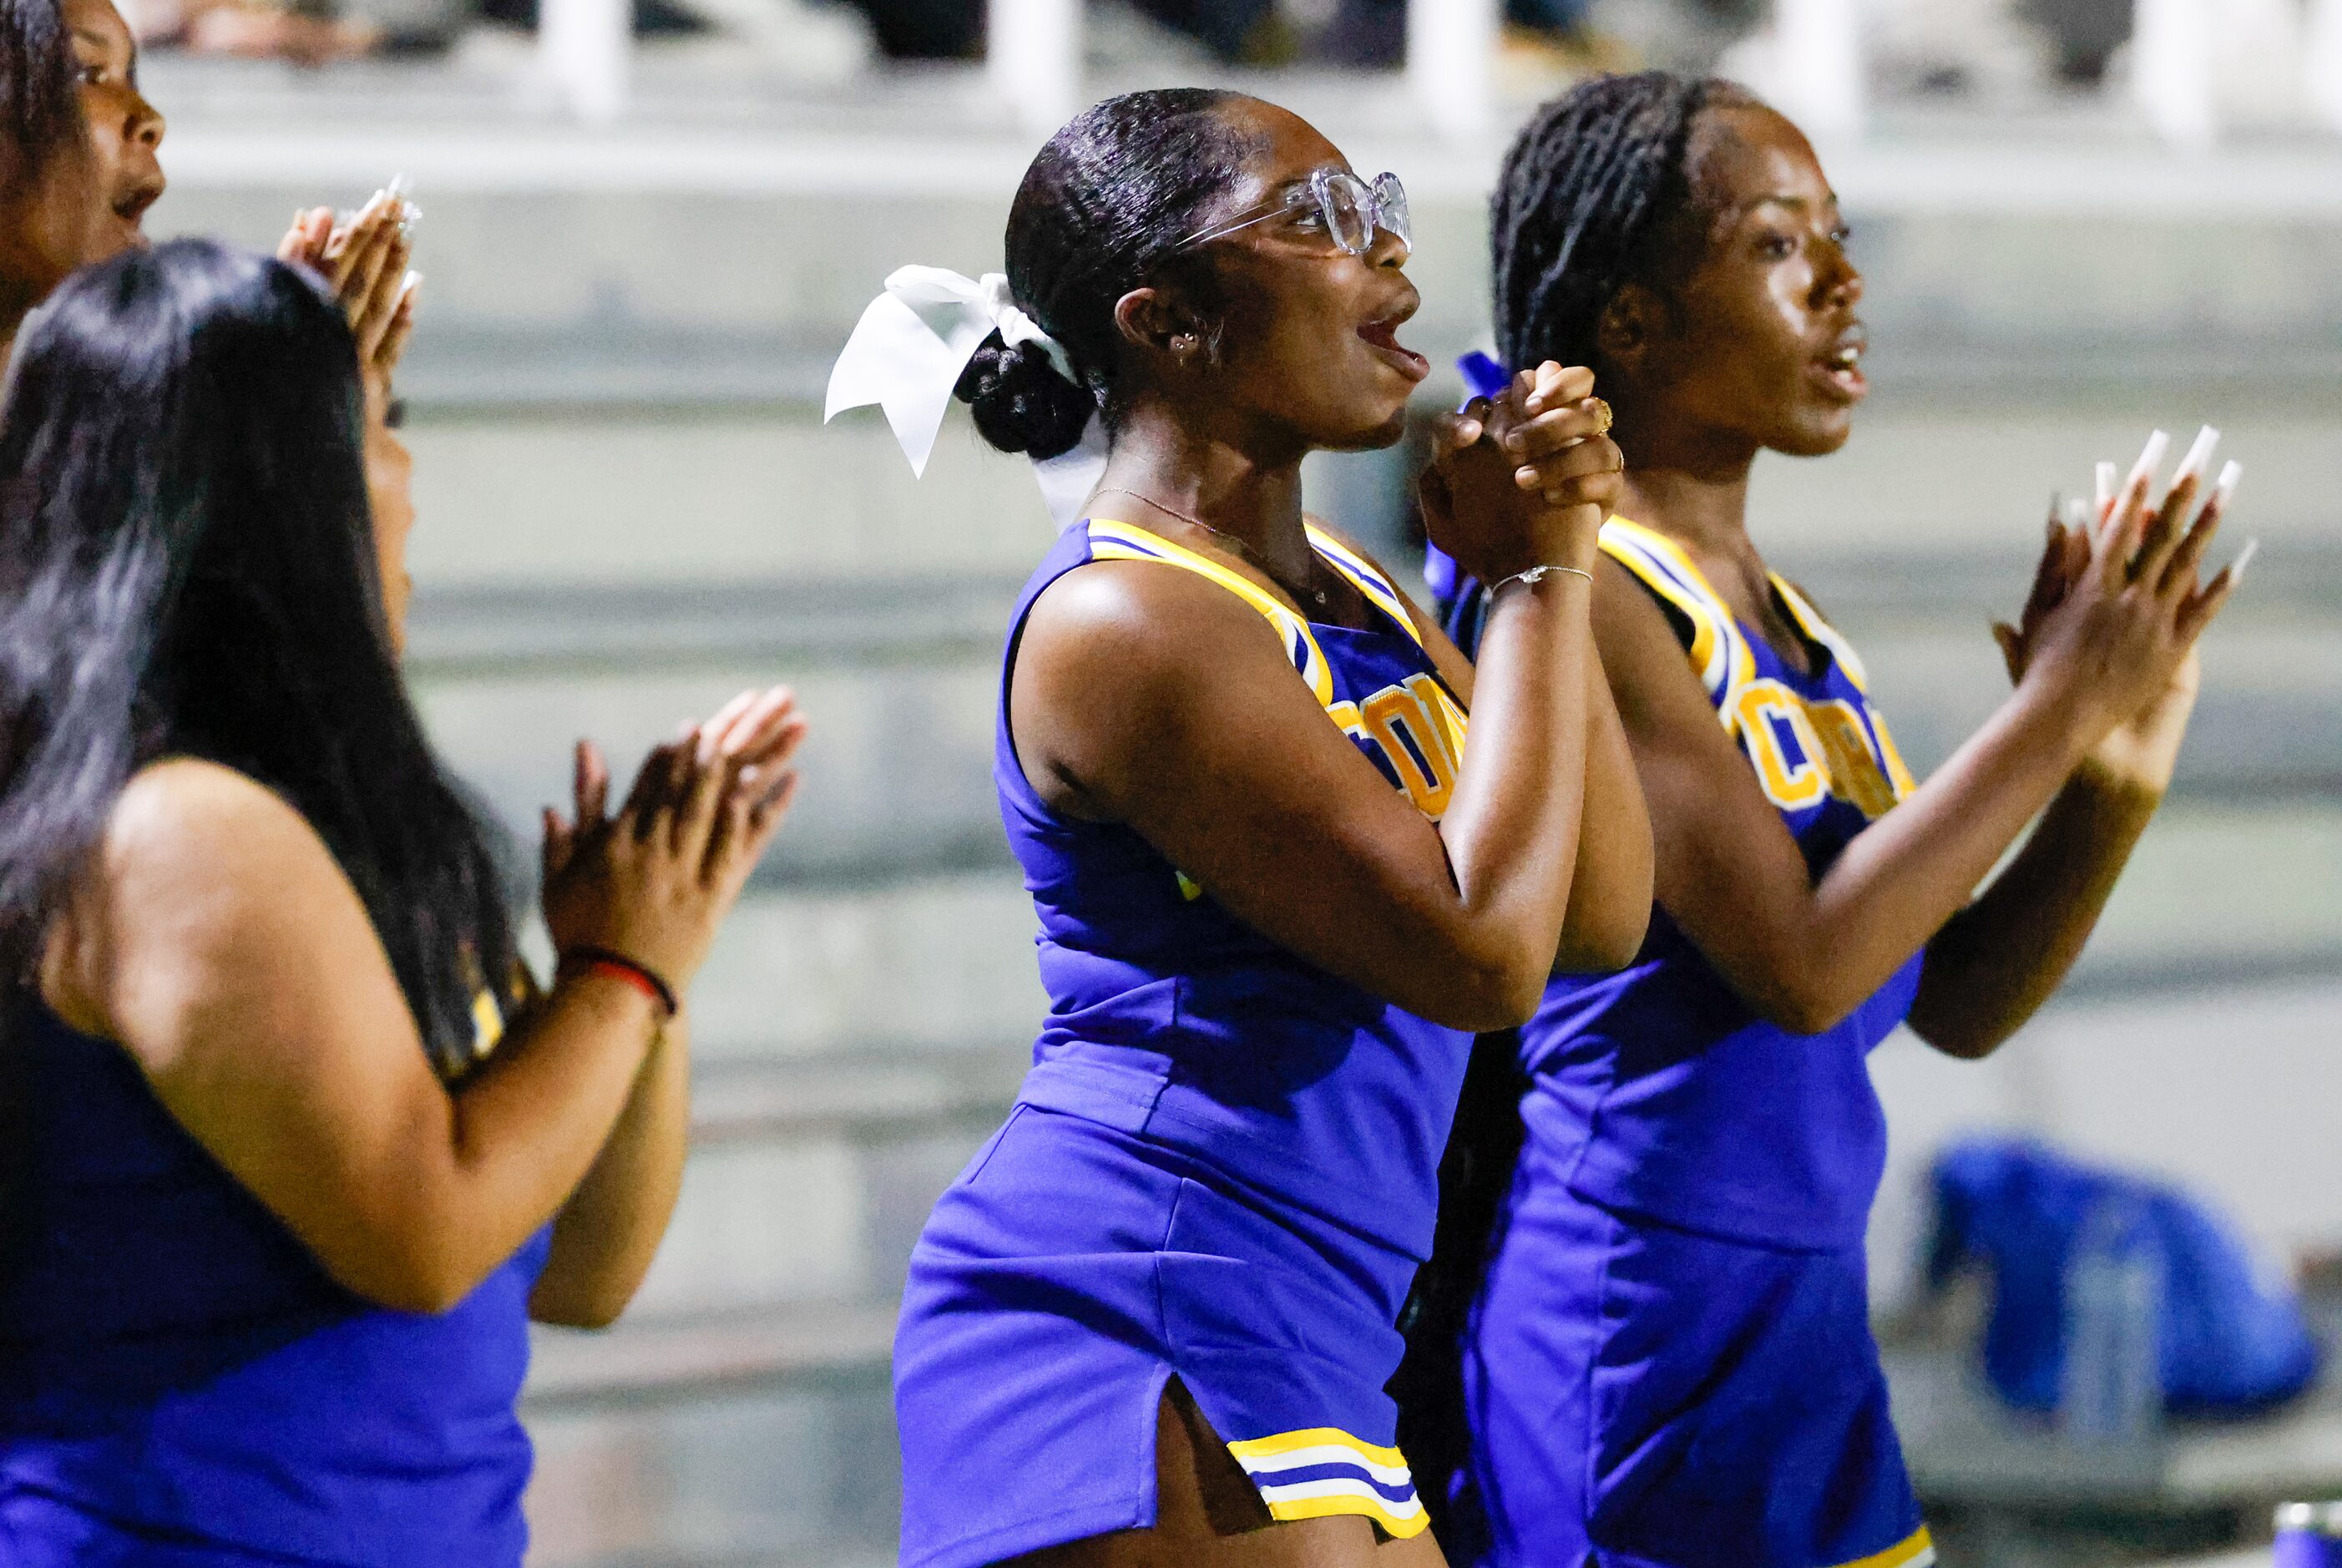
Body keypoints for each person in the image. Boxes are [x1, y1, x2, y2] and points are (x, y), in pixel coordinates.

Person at [1397, 72, 2243, 1568]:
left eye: (1838, 238)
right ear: (1630, 321)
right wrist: (2052, 703)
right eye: (1783, 247)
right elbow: (1796, 963)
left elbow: (1950, 995)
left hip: (1799, 1339)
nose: (1847, 285)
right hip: (1635, 1336)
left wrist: (2112, 765)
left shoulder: (1787, 626)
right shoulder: (1574, 591)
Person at [877, 88, 1652, 1568]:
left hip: (1315, 1308)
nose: (1396, 270)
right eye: (1322, 223)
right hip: (1141, 1289)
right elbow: (1481, 959)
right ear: (1165, 320)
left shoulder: (1361, 587)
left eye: (1382, 213)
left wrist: (1543, 570)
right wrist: (1541, 585)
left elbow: (1597, 918)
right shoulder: (1125, 621)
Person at [0, 239, 807, 1563]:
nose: (409, 486)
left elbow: (580, 1271)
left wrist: (636, 953)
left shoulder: (311, 826)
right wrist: (618, 980)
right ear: (281, 483)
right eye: (378, 428)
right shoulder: (177, 830)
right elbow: (424, 1232)